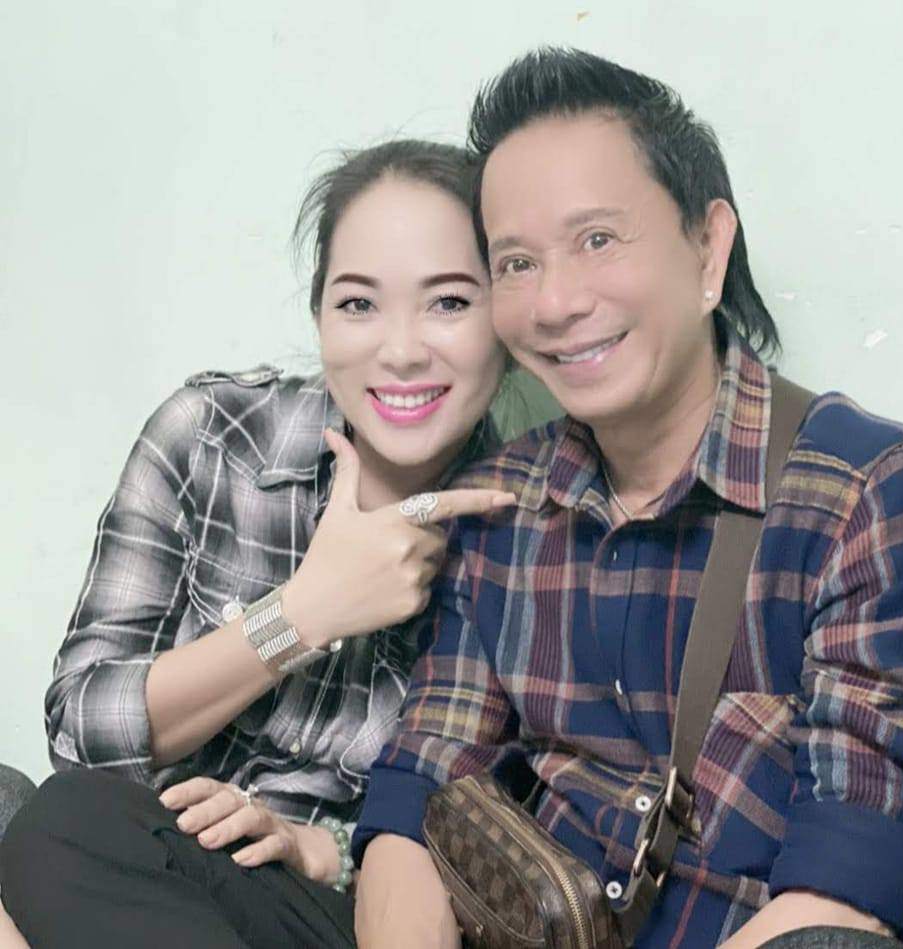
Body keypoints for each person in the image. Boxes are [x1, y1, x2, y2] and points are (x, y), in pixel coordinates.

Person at [352, 49, 903, 948]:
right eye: (516, 262)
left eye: (598, 240)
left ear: (708, 247)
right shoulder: (500, 502)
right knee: (127, 831)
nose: (555, 301)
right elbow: (418, 789)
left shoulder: (876, 488)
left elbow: (853, 875)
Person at [0, 139, 518, 948]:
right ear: (319, 315)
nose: (402, 349)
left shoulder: (531, 532)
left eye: (449, 302)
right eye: (358, 303)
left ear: (508, 321)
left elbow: (514, 841)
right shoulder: (214, 437)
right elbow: (80, 729)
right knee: (31, 807)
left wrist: (323, 847)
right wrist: (304, 614)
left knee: (57, 825)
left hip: (334, 913)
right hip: (145, 860)